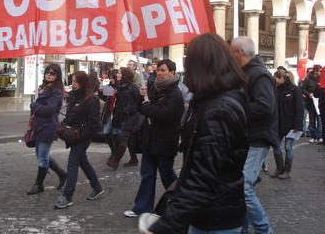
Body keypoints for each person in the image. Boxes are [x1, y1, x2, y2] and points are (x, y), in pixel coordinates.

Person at [142, 33, 249, 234]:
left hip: (215, 216)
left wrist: (168, 224)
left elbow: (203, 176)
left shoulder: (219, 109)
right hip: (211, 211)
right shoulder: (212, 100)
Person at [124, 59, 184, 218]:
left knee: (167, 176)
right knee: (147, 175)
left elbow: (163, 114)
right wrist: (141, 97)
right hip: (150, 141)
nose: (160, 73)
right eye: (158, 70)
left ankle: (182, 205)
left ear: (172, 72)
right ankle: (142, 208)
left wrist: (147, 106)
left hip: (165, 142)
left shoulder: (175, 94)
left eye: (163, 70)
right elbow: (142, 108)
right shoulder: (154, 88)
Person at [231, 36, 278, 234]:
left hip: (257, 138)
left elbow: (265, 107)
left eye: (231, 52)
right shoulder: (246, 73)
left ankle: (263, 230)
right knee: (241, 187)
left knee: (244, 188)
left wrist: (235, 107)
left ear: (239, 53)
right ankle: (243, 229)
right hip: (247, 137)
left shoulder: (259, 74)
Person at [54, 71, 104, 209]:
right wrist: (63, 125)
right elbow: (71, 115)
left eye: (75, 81)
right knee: (83, 162)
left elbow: (95, 124)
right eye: (72, 81)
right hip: (74, 135)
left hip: (82, 137)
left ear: (83, 82)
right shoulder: (74, 96)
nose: (73, 84)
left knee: (72, 163)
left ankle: (67, 196)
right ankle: (97, 188)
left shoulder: (91, 100)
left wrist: (81, 135)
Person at [27, 63, 67, 195]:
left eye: (52, 73)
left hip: (48, 126)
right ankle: (62, 174)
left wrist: (34, 106)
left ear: (57, 75)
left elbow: (49, 110)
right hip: (38, 125)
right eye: (47, 72)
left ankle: (38, 185)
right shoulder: (44, 87)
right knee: (40, 155)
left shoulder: (57, 91)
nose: (49, 75)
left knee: (42, 157)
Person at [270, 69, 303, 180]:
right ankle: (279, 169)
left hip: (291, 124)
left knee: (288, 147)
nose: (274, 80)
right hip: (278, 124)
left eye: (276, 78)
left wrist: (297, 126)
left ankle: (287, 171)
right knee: (276, 147)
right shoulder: (276, 89)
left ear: (282, 78)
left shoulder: (295, 90)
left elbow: (299, 108)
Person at [106, 67, 142, 169]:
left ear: (124, 75)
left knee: (124, 137)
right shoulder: (120, 86)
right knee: (128, 138)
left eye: (119, 73)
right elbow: (119, 98)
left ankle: (115, 161)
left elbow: (138, 103)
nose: (117, 74)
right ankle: (133, 159)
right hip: (120, 115)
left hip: (131, 117)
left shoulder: (133, 88)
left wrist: (130, 110)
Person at [99, 69, 120, 164]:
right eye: (110, 77)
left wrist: (117, 93)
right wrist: (101, 91)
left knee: (116, 134)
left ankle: (116, 153)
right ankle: (113, 150)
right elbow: (104, 97)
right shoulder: (108, 84)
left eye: (112, 78)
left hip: (117, 113)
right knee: (106, 132)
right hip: (109, 112)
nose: (110, 79)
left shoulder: (121, 86)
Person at [303, 65, 322, 144]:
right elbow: (303, 89)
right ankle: (313, 136)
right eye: (320, 71)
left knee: (320, 120)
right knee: (312, 120)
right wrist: (308, 94)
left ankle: (320, 136)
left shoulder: (322, 79)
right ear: (315, 71)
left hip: (320, 102)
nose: (321, 73)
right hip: (311, 102)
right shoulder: (307, 79)